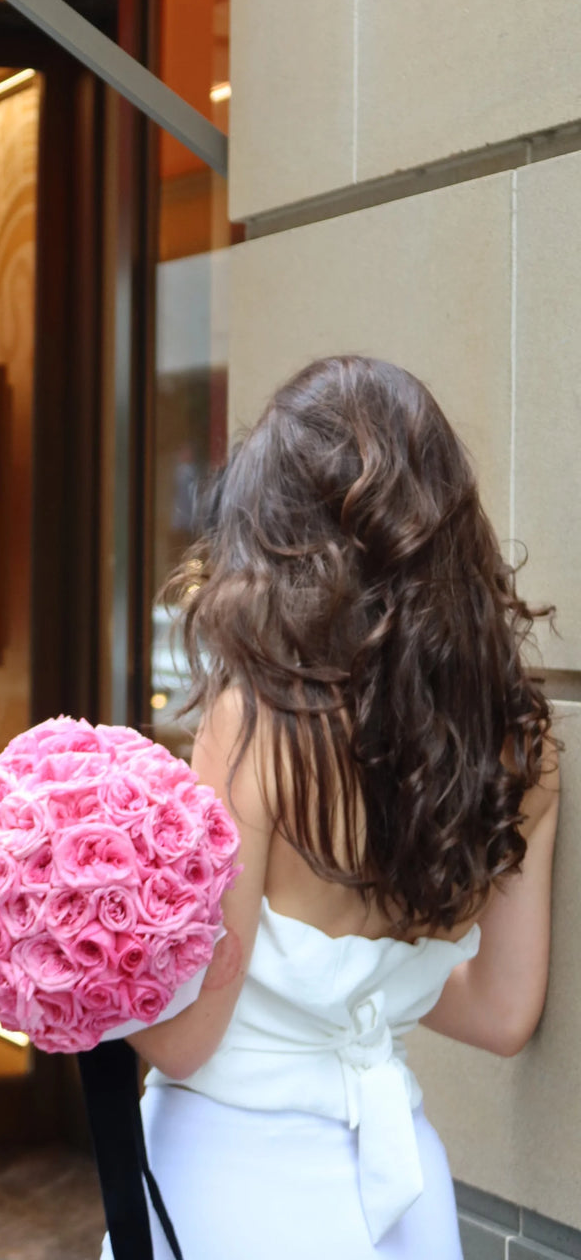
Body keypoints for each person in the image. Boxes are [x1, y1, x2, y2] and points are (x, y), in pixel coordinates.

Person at [101, 355, 561, 1260]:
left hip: (233, 1188)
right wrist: (362, 986)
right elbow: (504, 1015)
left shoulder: (256, 723)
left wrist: (79, 989)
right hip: (398, 1201)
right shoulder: (521, 750)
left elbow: (191, 1039)